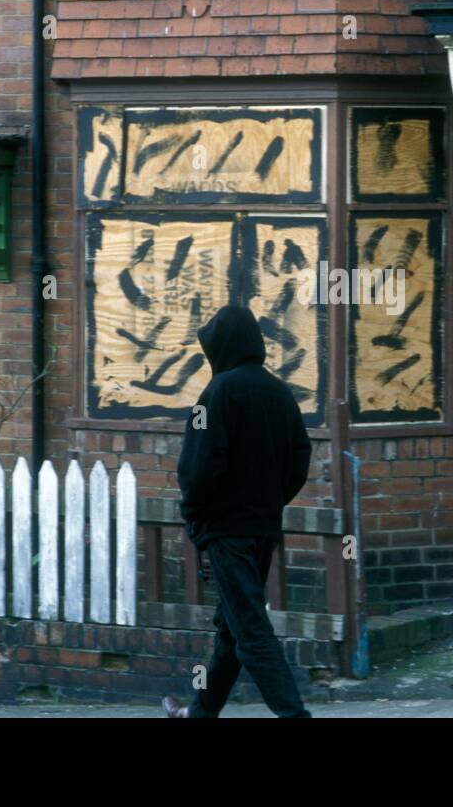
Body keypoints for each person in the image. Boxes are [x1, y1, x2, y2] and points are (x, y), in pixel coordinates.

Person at [163, 305, 313, 718]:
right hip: (263, 528)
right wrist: (270, 502)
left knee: (249, 629)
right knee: (234, 626)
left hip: (226, 530)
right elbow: (300, 457)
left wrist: (194, 517)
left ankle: (296, 716)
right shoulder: (282, 393)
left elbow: (197, 468)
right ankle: (200, 712)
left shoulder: (215, 394)